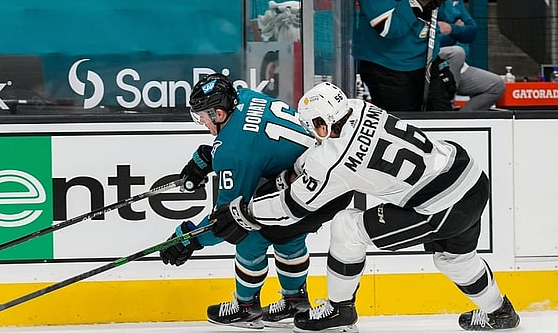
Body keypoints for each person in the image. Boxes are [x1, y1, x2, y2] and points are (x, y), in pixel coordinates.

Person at [209, 82, 520, 331]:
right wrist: (297, 171)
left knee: (347, 227)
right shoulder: (360, 107)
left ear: (321, 123)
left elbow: (293, 206)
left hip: (441, 204)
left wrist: (246, 212)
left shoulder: (333, 160)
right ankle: (501, 313)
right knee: (455, 260)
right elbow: (327, 153)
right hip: (470, 176)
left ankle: (340, 310)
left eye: (311, 127)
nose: (312, 135)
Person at [159, 73, 352, 329]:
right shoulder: (247, 97)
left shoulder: (235, 154)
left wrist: (191, 238)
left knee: (248, 230)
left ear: (218, 113)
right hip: (332, 182)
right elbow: (257, 141)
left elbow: (225, 220)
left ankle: (245, 307)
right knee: (286, 232)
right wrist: (209, 156)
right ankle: (295, 300)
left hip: (313, 188)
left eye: (202, 116)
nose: (202, 122)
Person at [415, 0, 505, 111]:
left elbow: (471, 31)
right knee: (457, 52)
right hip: (427, 60)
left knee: (496, 85)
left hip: (454, 65)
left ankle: (461, 118)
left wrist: (452, 28)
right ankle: (444, 105)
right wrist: (455, 29)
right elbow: (427, 35)